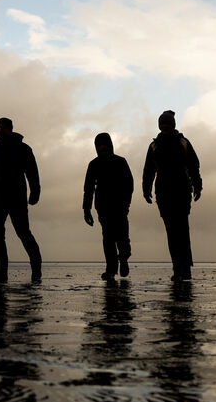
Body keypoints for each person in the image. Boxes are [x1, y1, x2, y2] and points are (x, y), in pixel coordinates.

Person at [142, 110, 202, 281]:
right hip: (163, 193)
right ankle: (177, 268)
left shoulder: (183, 142)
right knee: (171, 232)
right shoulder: (154, 146)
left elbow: (194, 166)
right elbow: (148, 170)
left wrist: (198, 186)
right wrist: (146, 189)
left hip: (182, 191)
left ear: (173, 125)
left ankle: (185, 269)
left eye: (167, 123)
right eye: (162, 124)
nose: (165, 126)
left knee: (182, 230)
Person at [0, 117, 43, 282]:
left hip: (17, 198)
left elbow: (32, 172)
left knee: (23, 233)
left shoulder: (23, 149)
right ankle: (1, 270)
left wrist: (35, 192)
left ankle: (36, 270)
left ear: (10, 129)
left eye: (3, 127)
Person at [83, 132, 134, 281]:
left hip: (120, 206)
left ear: (110, 145)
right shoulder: (94, 164)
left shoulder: (120, 161)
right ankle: (111, 269)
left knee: (122, 237)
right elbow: (88, 188)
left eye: (105, 145)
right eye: (100, 145)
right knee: (108, 238)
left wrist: (126, 203)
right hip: (103, 207)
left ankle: (123, 259)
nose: (102, 148)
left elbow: (129, 184)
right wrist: (86, 209)